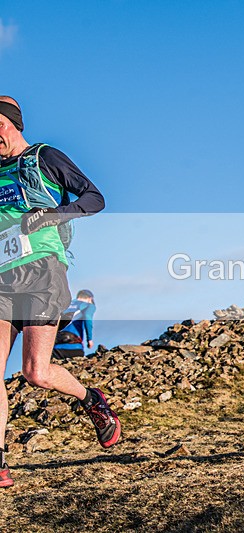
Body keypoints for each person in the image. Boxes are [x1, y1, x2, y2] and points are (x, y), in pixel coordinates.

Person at [0, 97, 119, 488]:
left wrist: (50, 215)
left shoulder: (43, 157)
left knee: (35, 372)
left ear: (11, 124)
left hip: (43, 272)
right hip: (1, 278)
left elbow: (95, 198)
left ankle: (91, 399)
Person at [53, 289, 97, 359]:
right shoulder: (88, 305)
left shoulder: (65, 305)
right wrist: (89, 339)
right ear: (90, 299)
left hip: (56, 347)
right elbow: (87, 317)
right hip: (74, 347)